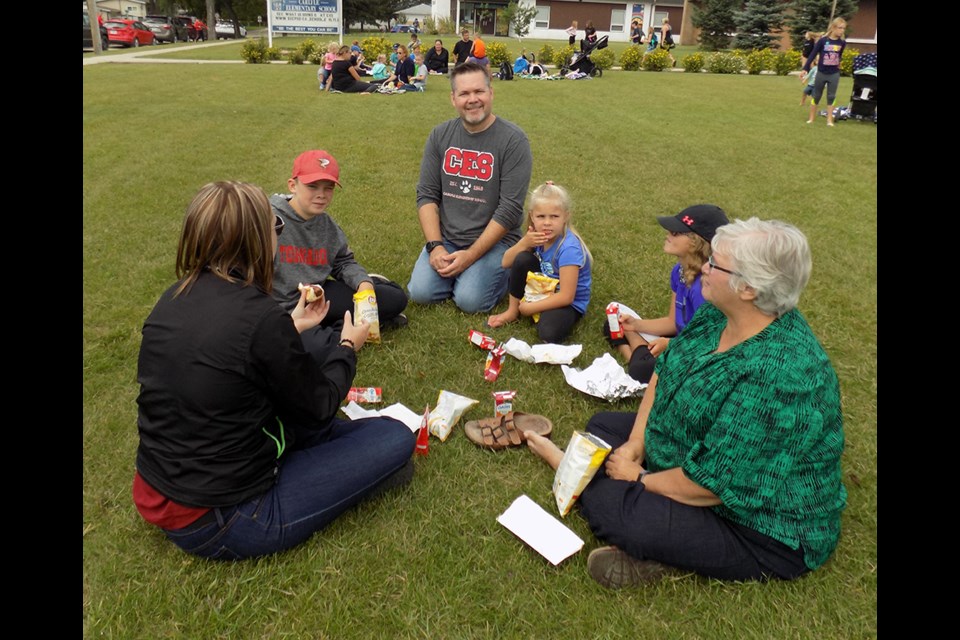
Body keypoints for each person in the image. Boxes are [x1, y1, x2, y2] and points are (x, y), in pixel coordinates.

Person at [525, 217, 846, 588]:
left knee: (618, 509)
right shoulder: (719, 312)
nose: (704, 267)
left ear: (749, 288)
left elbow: (715, 485)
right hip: (697, 451)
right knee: (604, 427)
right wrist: (637, 442)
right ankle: (615, 494)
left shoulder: (779, 375)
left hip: (756, 525)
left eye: (716, 264)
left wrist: (641, 478)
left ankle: (583, 482)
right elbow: (665, 372)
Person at [133, 181, 416, 561]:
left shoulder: (174, 295)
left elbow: (227, 361)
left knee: (346, 437)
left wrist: (292, 327)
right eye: (275, 228)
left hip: (161, 482)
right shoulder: (259, 316)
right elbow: (319, 407)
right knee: (394, 437)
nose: (278, 236)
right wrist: (348, 346)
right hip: (222, 515)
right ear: (253, 239)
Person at [407, 62, 533, 313]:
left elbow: (509, 209)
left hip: (497, 242)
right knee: (420, 293)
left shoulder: (513, 140)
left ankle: (511, 267)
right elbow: (427, 195)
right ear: (453, 98)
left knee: (470, 301)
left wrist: (472, 256)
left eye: (479, 92)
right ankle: (463, 273)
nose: (472, 100)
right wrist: (435, 246)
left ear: (491, 93)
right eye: (464, 94)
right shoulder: (440, 135)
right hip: (449, 239)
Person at [271, 150, 408, 359]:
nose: (321, 194)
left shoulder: (327, 225)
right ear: (292, 185)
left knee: (395, 299)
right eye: (312, 186)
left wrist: (363, 284)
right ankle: (346, 330)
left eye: (329, 188)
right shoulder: (268, 219)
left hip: (320, 297)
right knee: (317, 350)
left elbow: (343, 261)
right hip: (282, 309)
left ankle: (369, 292)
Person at [604, 205, 729, 384]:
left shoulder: (707, 286)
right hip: (680, 339)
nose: (668, 233)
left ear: (696, 242)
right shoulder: (679, 270)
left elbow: (710, 343)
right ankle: (638, 357)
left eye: (676, 232)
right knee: (612, 322)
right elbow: (672, 323)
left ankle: (636, 359)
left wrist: (669, 345)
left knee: (642, 369)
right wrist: (636, 325)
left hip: (695, 351)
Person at [487, 182, 592, 344]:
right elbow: (505, 262)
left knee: (548, 333)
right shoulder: (536, 236)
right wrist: (525, 243)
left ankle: (541, 312)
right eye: (541, 216)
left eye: (554, 216)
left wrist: (532, 308)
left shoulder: (569, 248)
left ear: (566, 216)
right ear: (532, 217)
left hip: (568, 301)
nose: (547, 223)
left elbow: (567, 296)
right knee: (522, 258)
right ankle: (512, 311)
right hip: (544, 287)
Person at [802, 18, 847, 127]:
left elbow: (839, 55)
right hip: (821, 72)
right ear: (833, 28)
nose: (842, 31)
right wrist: (805, 68)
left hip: (834, 74)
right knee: (816, 95)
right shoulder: (823, 41)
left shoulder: (842, 42)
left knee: (831, 96)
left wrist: (838, 63)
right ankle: (811, 119)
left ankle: (829, 121)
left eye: (843, 28)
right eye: (840, 28)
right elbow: (812, 54)